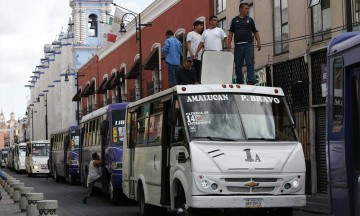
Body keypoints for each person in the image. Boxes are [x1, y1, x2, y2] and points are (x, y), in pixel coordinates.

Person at [227, 2, 261, 85]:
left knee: (250, 64)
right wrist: (228, 44)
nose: (248, 10)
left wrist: (258, 42)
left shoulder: (250, 20)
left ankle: (250, 81)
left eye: (248, 9)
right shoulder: (235, 20)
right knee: (238, 66)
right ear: (240, 9)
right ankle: (240, 82)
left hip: (248, 45)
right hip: (238, 46)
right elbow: (231, 33)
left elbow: (255, 32)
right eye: (246, 8)